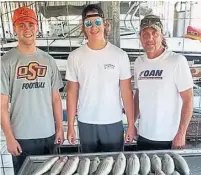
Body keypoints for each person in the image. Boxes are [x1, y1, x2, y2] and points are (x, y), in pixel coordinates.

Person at [1, 6, 64, 174]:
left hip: (48, 134)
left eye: (30, 24)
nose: (27, 28)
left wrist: (59, 128)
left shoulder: (48, 60)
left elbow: (56, 98)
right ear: (15, 29)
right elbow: (2, 105)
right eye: (21, 25)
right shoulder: (5, 62)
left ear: (37, 27)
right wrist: (9, 137)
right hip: (21, 136)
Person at [65, 4, 135, 153]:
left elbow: (127, 92)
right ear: (83, 27)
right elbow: (72, 93)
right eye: (88, 23)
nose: (93, 27)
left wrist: (130, 124)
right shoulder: (75, 56)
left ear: (105, 24)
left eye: (97, 22)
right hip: (86, 122)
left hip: (113, 122)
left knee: (115, 165)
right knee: (89, 166)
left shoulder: (120, 55)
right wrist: (70, 126)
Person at [134, 14, 194, 150]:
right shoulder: (139, 62)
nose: (150, 38)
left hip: (170, 138)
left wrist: (181, 133)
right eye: (145, 34)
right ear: (140, 37)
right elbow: (138, 95)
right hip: (144, 135)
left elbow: (188, 99)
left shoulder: (177, 61)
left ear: (162, 36)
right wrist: (132, 124)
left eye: (155, 34)